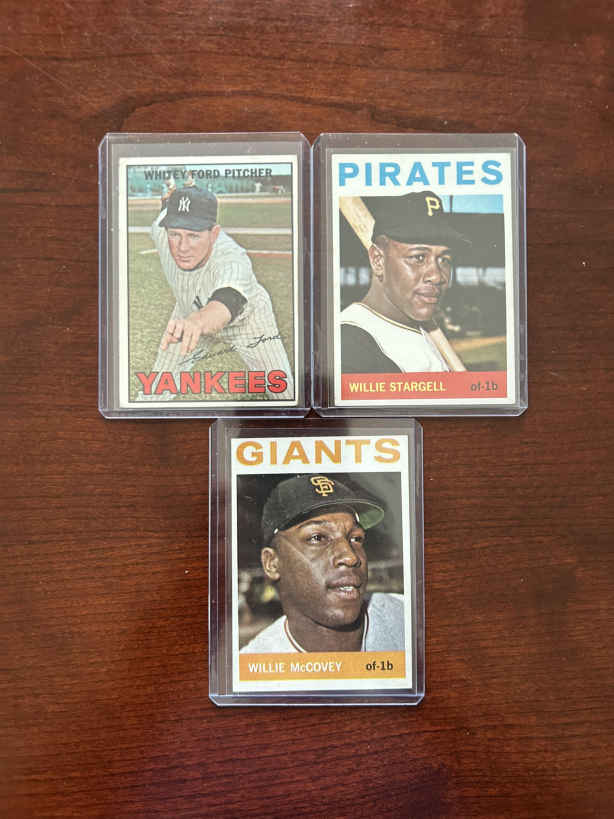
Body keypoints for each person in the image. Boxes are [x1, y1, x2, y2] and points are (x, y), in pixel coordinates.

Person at [138, 183, 294, 400]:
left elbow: (227, 301)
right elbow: (164, 213)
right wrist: (168, 202)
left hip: (247, 321)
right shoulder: (160, 230)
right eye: (175, 234)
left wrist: (197, 321)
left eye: (194, 236)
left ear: (214, 234)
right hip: (189, 314)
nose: (182, 247)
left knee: (284, 393)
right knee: (154, 393)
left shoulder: (232, 260)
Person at [240, 475, 405, 653]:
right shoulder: (254, 662)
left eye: (356, 538)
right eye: (317, 538)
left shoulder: (409, 615)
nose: (350, 557)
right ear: (272, 563)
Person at [340, 190, 469, 374]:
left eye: (444, 260)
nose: (437, 276)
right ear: (378, 260)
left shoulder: (423, 328)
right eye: (418, 257)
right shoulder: (350, 348)